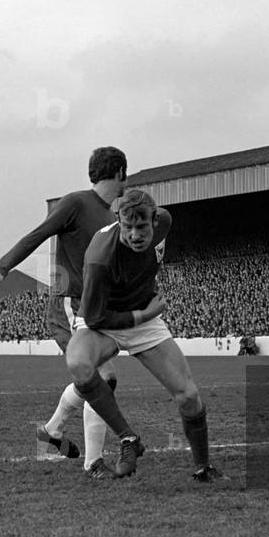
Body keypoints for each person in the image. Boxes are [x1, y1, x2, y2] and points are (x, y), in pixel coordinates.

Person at [0, 146, 127, 479]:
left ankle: (51, 432)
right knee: (102, 378)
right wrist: (2, 268)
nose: (125, 182)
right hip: (68, 305)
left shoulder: (111, 219)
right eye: (125, 175)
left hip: (93, 309)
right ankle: (93, 463)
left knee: (106, 378)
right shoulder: (76, 203)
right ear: (119, 172)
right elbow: (38, 234)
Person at [65, 189, 222, 482]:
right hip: (104, 320)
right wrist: (146, 315)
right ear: (118, 221)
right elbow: (95, 317)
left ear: (154, 219)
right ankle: (128, 440)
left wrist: (143, 315)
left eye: (142, 227)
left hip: (142, 318)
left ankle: (203, 469)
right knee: (78, 364)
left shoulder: (166, 220)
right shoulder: (99, 257)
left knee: (188, 395)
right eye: (128, 227)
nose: (135, 234)